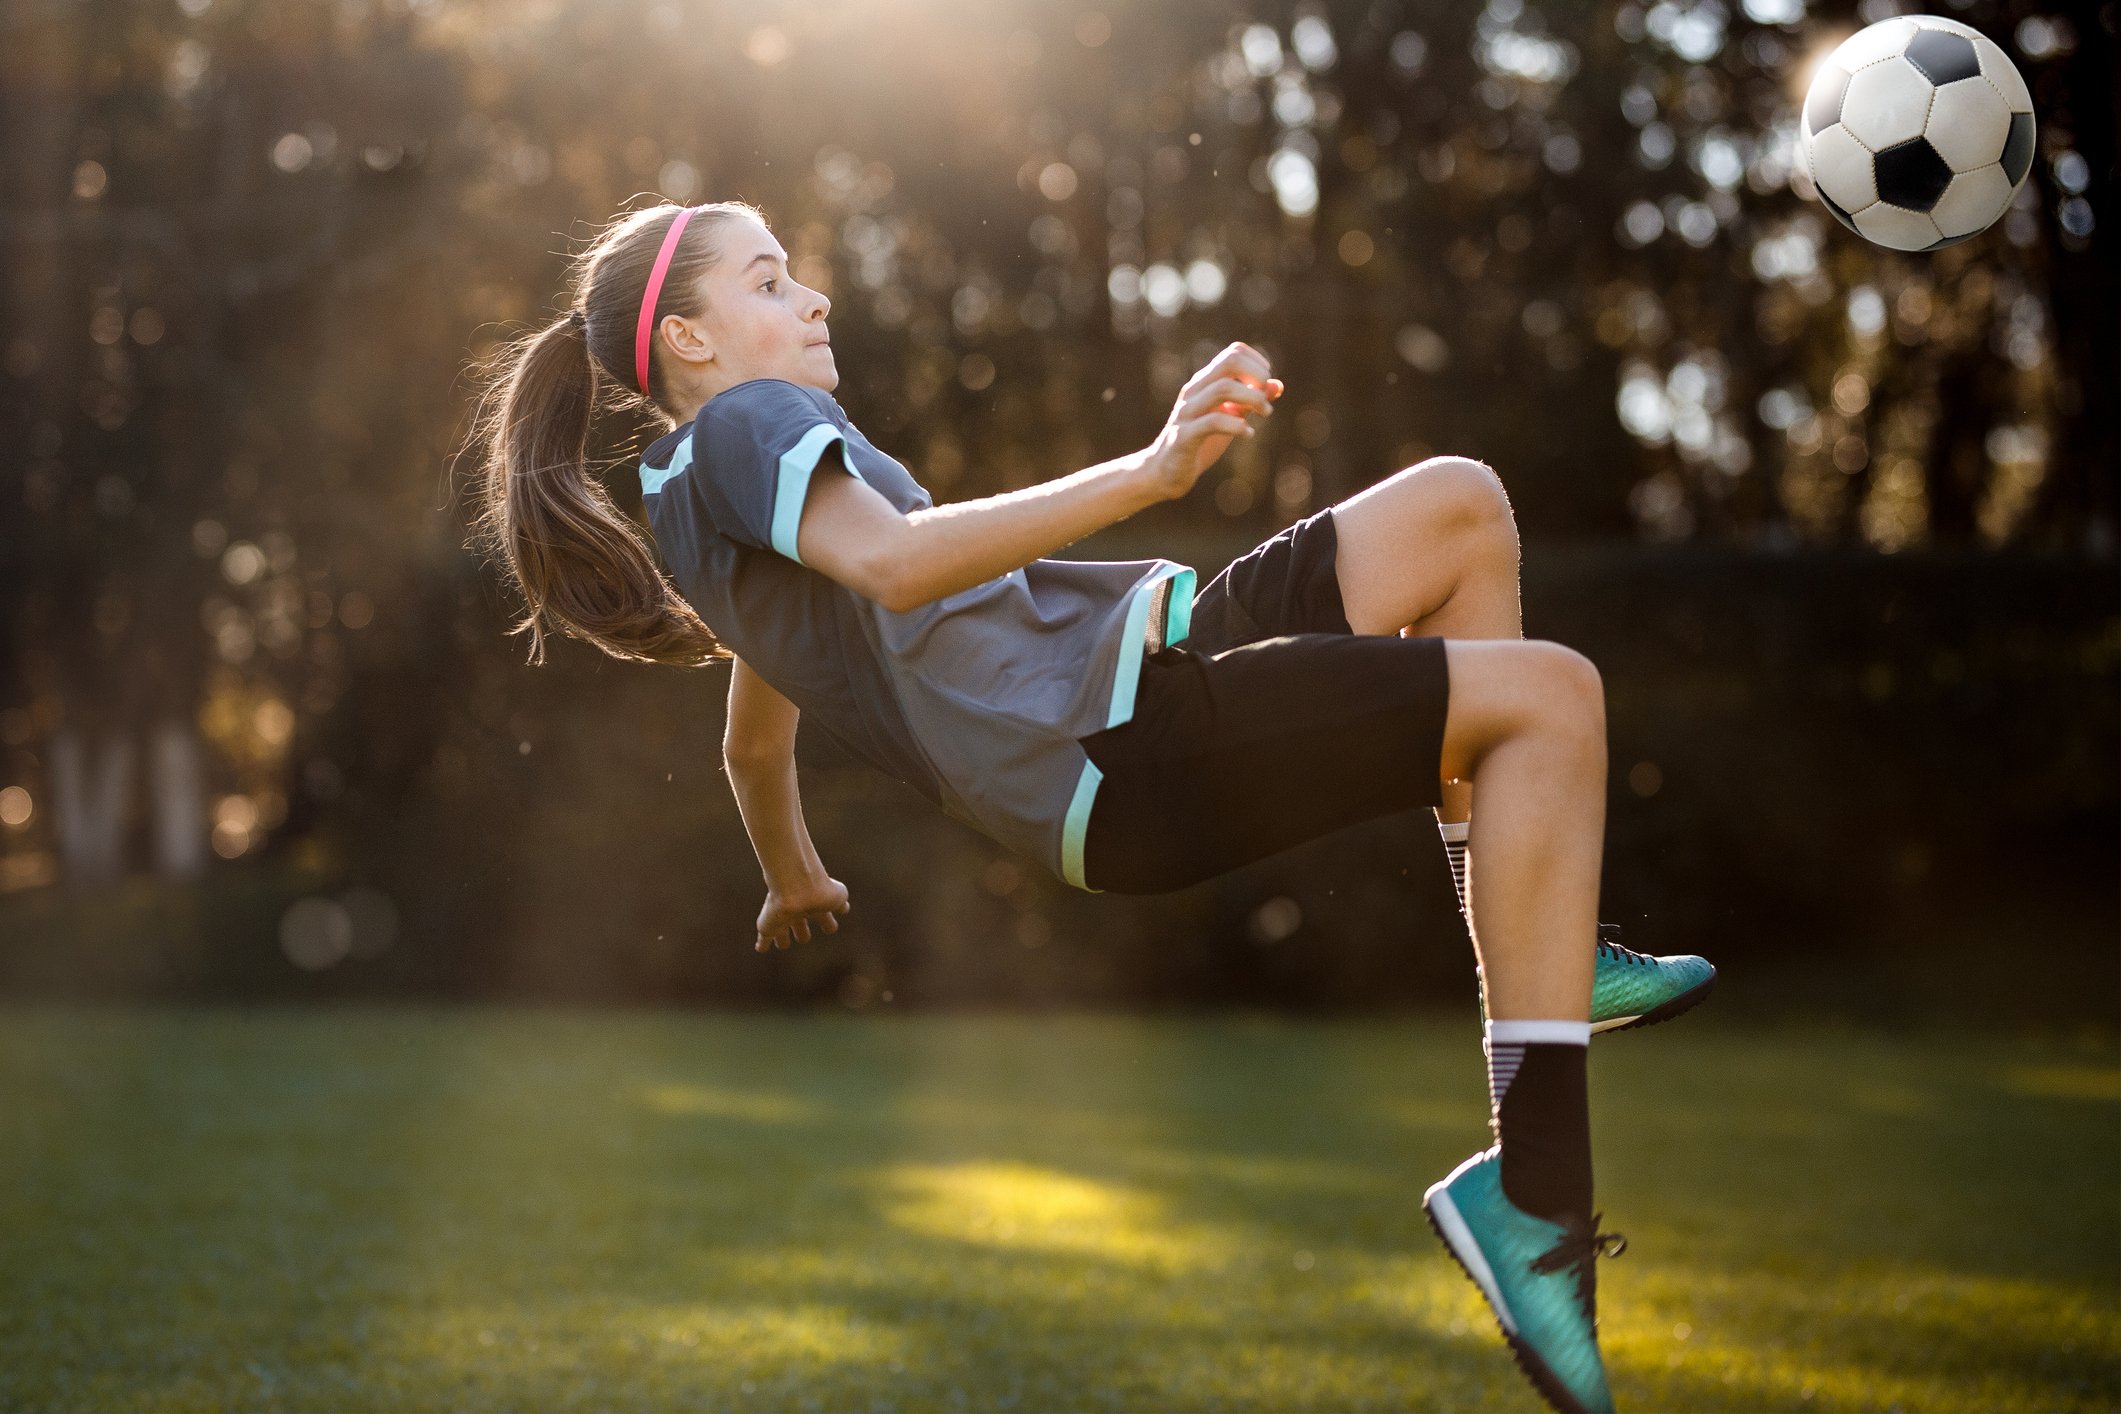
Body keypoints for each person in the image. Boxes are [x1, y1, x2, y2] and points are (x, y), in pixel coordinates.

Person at [467, 199, 1718, 1414]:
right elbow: (900, 568)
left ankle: (1545, 976)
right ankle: (1537, 1190)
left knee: (1457, 507)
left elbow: (751, 738)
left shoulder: (695, 497)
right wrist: (1152, 467)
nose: (812, 295)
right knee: (1553, 699)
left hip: (1140, 672)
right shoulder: (751, 422)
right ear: (687, 339)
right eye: (768, 278)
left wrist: (793, 873)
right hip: (1117, 754)